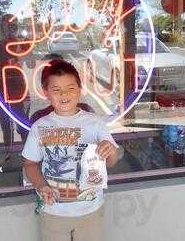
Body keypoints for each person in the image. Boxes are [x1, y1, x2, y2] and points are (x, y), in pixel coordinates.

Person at [22, 60, 119, 241]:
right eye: (56, 90)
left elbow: (112, 162)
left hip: (90, 210)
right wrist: (41, 185)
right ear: (46, 93)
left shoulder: (95, 123)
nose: (64, 94)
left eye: (70, 88)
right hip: (53, 212)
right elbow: (30, 164)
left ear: (80, 89)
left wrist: (110, 150)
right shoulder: (40, 126)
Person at [0, 14, 32, 155]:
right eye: (9, 25)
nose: (13, 28)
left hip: (18, 89)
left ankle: (27, 154)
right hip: (1, 89)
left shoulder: (19, 44)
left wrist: (26, 49)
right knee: (6, 125)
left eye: (15, 25)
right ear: (2, 28)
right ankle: (8, 153)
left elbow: (31, 64)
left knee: (23, 124)